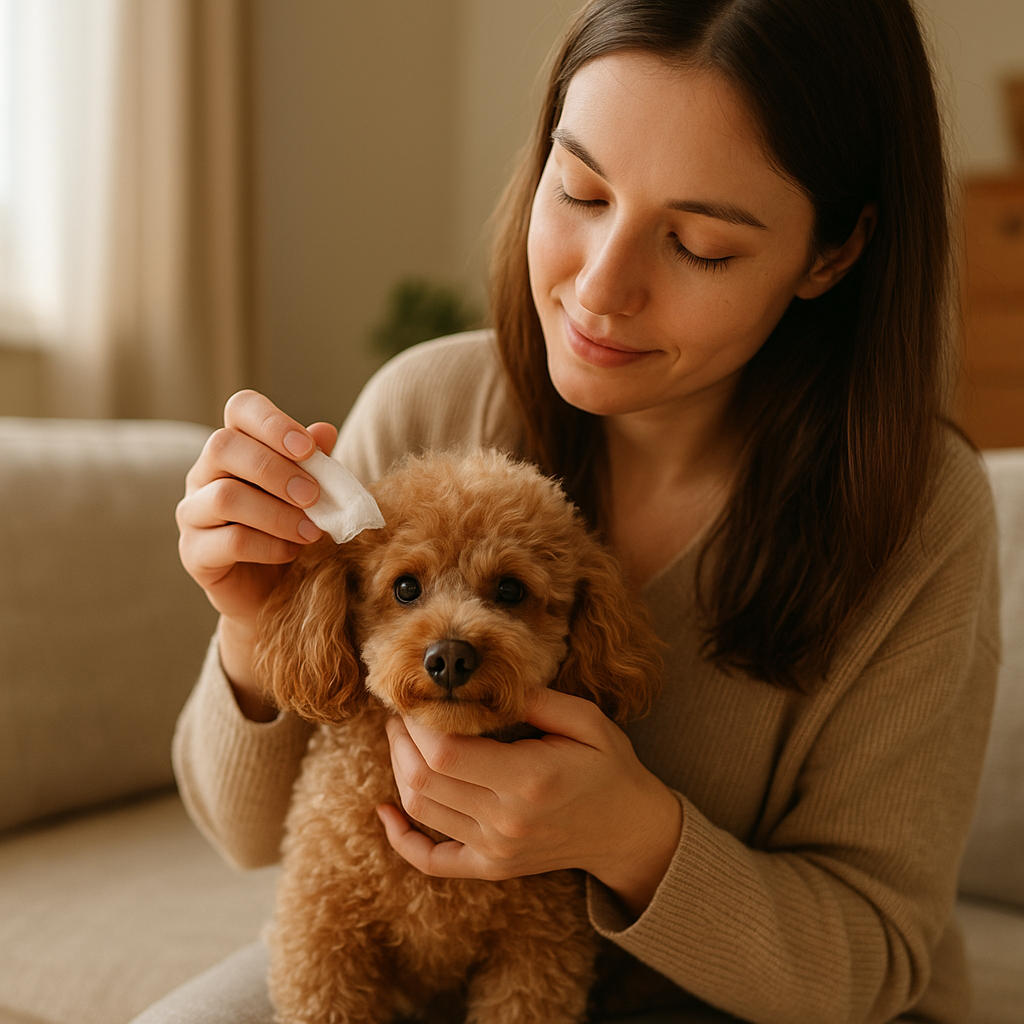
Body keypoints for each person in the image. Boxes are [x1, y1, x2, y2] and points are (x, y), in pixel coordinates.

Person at [149, 0, 1000, 1022]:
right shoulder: (427, 407)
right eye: (581, 189)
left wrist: (635, 839)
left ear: (831, 253)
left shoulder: (915, 514)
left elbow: (872, 957)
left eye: (698, 245)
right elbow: (246, 837)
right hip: (421, 968)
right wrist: (252, 621)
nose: (600, 289)